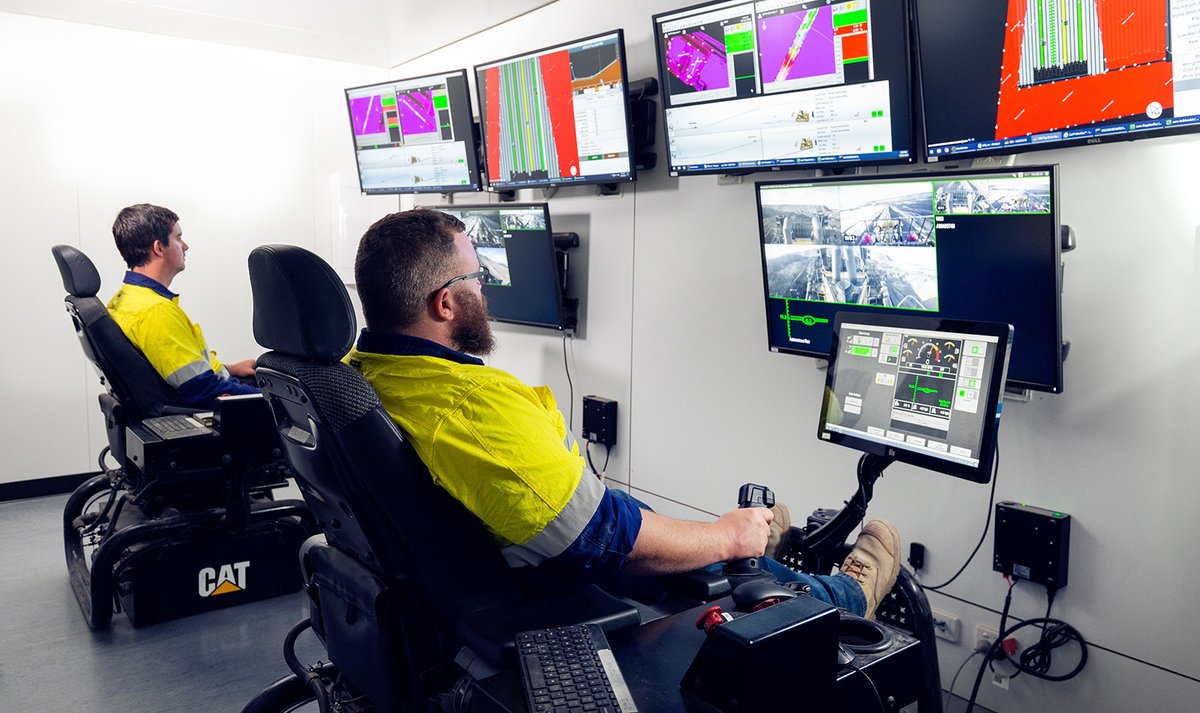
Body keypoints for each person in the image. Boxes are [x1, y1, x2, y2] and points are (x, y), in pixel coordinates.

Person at [346, 208, 901, 618]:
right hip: (543, 573)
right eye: (477, 279)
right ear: (444, 303)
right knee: (681, 542)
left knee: (656, 519)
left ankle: (756, 555)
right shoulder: (465, 408)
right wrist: (727, 539)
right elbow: (598, 539)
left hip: (482, 552)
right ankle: (844, 596)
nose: (484, 293)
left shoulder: (356, 373)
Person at [107, 203, 259, 408]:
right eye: (178, 238)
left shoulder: (127, 298)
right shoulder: (155, 312)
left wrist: (230, 369)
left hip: (213, 384)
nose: (185, 246)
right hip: (215, 406)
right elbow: (204, 390)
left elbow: (177, 367)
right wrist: (269, 399)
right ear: (159, 247)